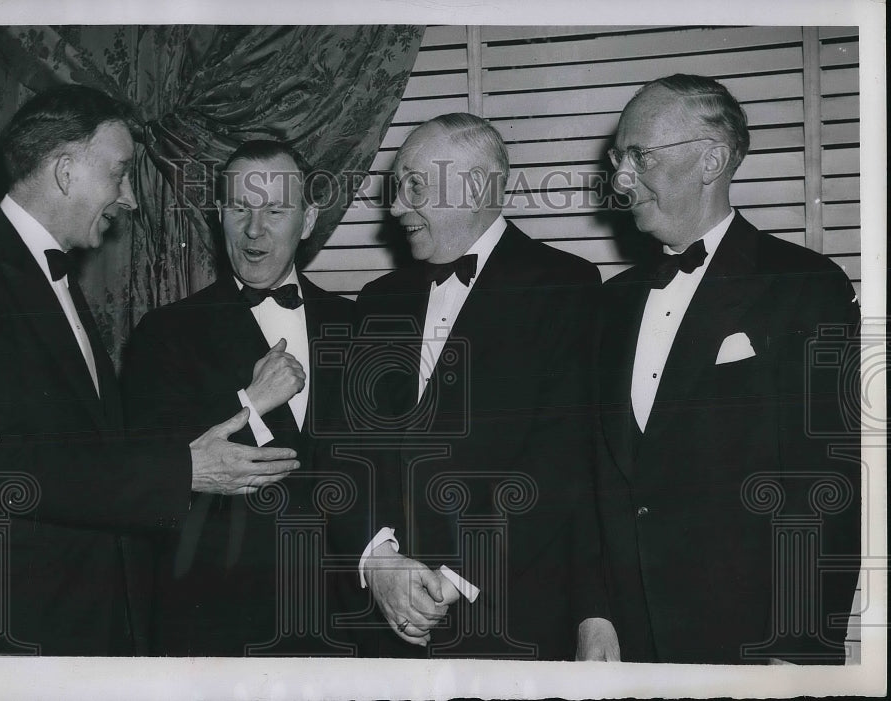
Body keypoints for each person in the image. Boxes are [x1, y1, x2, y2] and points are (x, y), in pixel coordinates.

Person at [0, 86, 299, 656]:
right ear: (66, 171)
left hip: (80, 613)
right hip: (19, 627)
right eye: (119, 173)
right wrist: (181, 471)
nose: (131, 199)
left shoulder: (42, 273)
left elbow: (86, 445)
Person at [595, 74, 860, 664]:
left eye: (641, 155)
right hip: (624, 642)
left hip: (750, 643)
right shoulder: (609, 302)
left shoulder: (804, 286)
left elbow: (827, 484)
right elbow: (598, 480)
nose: (620, 178)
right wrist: (595, 615)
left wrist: (800, 651)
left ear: (711, 160)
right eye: (618, 158)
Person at [337, 113, 617, 660]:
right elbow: (345, 448)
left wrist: (457, 575)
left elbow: (561, 462)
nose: (395, 209)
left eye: (413, 186)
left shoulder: (567, 288)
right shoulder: (376, 300)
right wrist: (378, 560)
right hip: (380, 627)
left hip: (506, 621)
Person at [120, 140, 354, 656]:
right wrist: (251, 401)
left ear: (309, 220)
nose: (254, 229)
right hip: (216, 621)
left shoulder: (356, 326)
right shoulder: (165, 333)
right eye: (240, 209)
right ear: (219, 214)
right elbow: (149, 474)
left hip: (342, 622)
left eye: (275, 210)